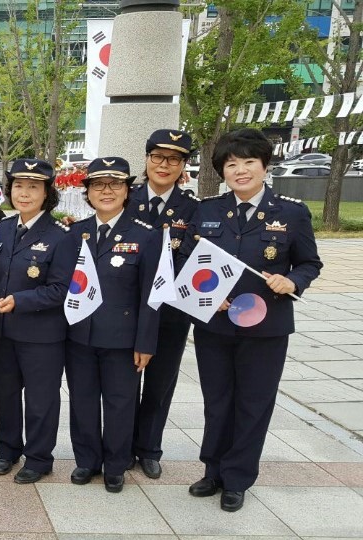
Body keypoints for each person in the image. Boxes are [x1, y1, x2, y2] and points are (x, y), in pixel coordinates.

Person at [180, 128, 322, 511]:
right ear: (221, 171)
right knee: (217, 401)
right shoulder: (207, 211)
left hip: (266, 326)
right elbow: (187, 261)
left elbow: (309, 263)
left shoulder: (290, 212)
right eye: (231, 164)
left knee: (253, 403)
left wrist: (292, 280)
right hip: (215, 324)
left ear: (264, 166)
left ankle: (238, 479)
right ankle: (213, 471)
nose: (240, 170)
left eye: (248, 162)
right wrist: (208, 296)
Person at [65, 157, 162, 493]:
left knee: (120, 403)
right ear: (88, 192)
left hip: (123, 339)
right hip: (80, 336)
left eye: (115, 184)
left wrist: (145, 342)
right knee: (83, 400)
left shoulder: (146, 236)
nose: (106, 191)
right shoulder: (75, 233)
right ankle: (87, 460)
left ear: (127, 190)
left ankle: (116, 464)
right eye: (98, 185)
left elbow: (153, 294)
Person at [0, 159, 75, 483]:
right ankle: (7, 450)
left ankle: (39, 458)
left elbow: (61, 289)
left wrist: (20, 301)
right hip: (4, 332)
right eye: (18, 186)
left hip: (42, 335)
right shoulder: (5, 227)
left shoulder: (60, 235)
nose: (24, 193)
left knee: (41, 400)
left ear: (47, 193)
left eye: (33, 187)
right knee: (5, 395)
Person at [124, 129, 200, 480]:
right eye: (157, 156)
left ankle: (149, 449)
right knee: (124, 383)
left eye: (174, 159)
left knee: (160, 382)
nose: (164, 165)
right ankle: (123, 446)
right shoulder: (126, 198)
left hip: (171, 311)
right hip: (127, 309)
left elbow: (195, 259)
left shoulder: (193, 208)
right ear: (147, 158)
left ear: (183, 165)